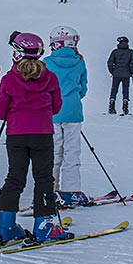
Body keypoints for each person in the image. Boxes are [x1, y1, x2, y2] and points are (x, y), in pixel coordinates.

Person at [0, 31, 69, 246]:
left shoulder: (9, 79)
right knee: (44, 178)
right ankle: (43, 226)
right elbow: (56, 107)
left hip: (17, 134)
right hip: (42, 134)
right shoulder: (50, 77)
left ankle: (6, 227)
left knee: (15, 178)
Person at [46, 26, 89, 207]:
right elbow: (83, 88)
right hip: (73, 111)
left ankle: (49, 189)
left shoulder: (46, 62)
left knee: (54, 151)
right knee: (72, 152)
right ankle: (71, 190)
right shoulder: (79, 62)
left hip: (52, 112)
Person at [107, 35, 133, 114]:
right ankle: (125, 108)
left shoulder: (115, 52)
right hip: (126, 74)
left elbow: (110, 62)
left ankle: (111, 107)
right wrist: (131, 72)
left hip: (116, 74)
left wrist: (112, 71)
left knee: (114, 89)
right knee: (125, 90)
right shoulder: (131, 52)